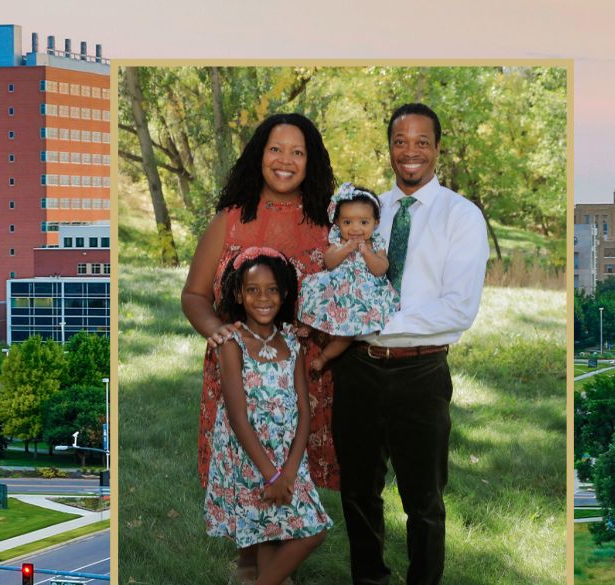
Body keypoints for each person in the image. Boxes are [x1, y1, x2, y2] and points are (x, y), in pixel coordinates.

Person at [332, 103, 488, 585]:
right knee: (358, 493)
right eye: (401, 141)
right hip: (357, 369)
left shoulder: (460, 217)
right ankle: (371, 580)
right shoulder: (366, 213)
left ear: (438, 148)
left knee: (424, 501)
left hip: (420, 374)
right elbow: (338, 282)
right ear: (390, 149)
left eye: (422, 142)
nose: (411, 151)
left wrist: (378, 320)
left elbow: (458, 309)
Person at [181, 113, 340, 583]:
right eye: (275, 149)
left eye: (297, 151)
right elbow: (194, 295)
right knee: (249, 472)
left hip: (305, 372)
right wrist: (216, 329)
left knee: (291, 473)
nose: (285, 160)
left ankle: (272, 568)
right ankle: (252, 567)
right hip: (239, 370)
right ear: (259, 155)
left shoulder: (328, 222)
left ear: (311, 162)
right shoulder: (230, 220)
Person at [204, 247, 331, 585]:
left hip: (288, 456)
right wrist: (270, 474)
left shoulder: (292, 341)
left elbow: (304, 411)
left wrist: (289, 470)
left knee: (307, 529)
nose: (263, 297)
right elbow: (236, 416)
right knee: (269, 527)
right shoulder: (232, 343)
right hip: (249, 456)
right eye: (253, 290)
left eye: (272, 289)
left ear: (284, 293)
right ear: (238, 294)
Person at [298, 183, 398, 370]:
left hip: (361, 297)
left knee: (347, 334)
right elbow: (329, 261)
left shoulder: (377, 243)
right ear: (337, 223)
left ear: (376, 222)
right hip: (336, 289)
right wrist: (346, 248)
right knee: (315, 290)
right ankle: (309, 323)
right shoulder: (338, 239)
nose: (355, 229)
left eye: (363, 222)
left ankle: (324, 358)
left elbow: (381, 268)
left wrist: (367, 253)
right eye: (347, 222)